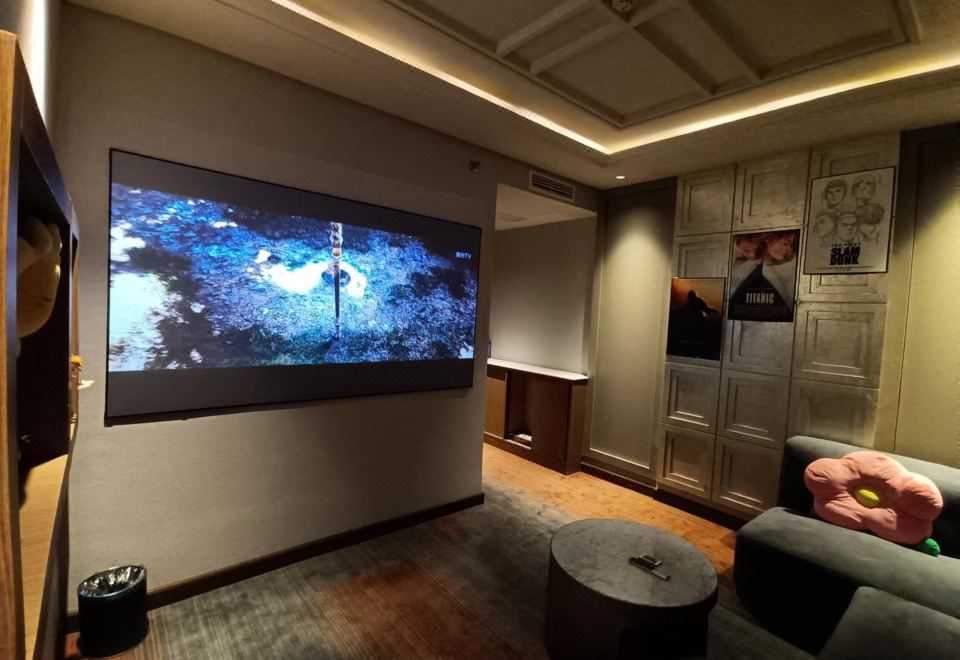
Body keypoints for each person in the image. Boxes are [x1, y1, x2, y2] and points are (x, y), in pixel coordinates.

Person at [729, 231, 798, 322]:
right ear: (768, 239)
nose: (789, 249)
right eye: (785, 244)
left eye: (791, 246)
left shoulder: (790, 263)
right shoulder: (742, 262)